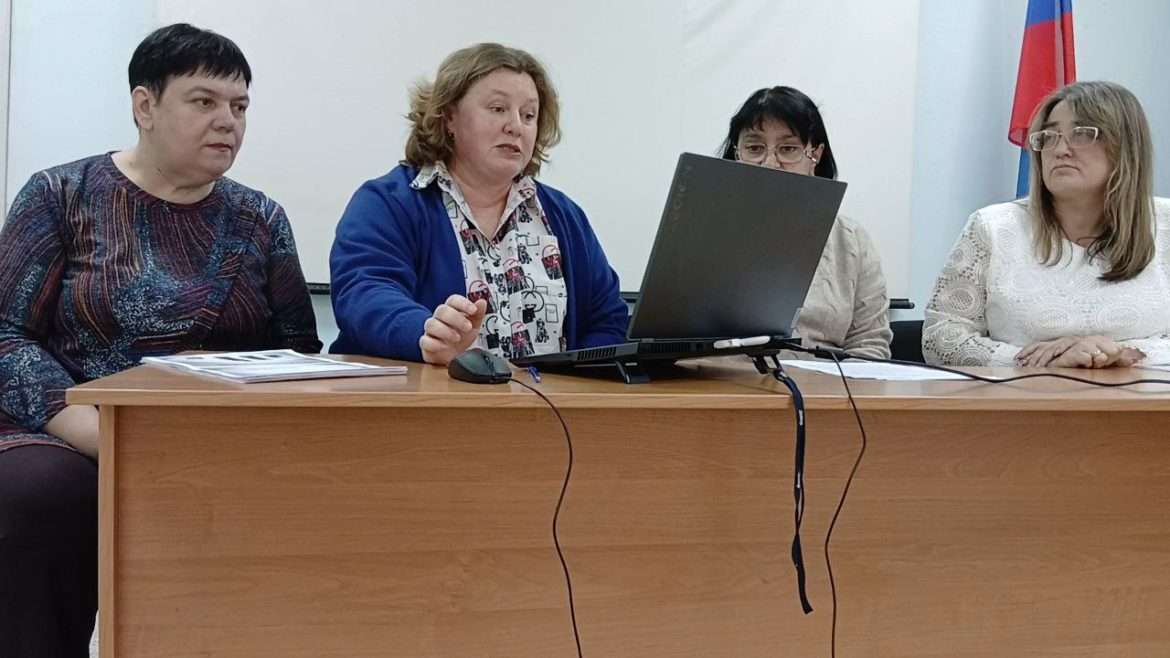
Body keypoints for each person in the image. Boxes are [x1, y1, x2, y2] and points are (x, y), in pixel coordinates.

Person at [0, 24, 320, 657]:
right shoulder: (60, 195)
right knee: (38, 495)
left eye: (240, 106)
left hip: (212, 436)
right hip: (67, 432)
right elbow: (7, 335)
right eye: (204, 101)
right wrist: (94, 426)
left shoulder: (260, 217)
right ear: (145, 106)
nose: (228, 121)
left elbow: (298, 353)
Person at [329, 43, 627, 365]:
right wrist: (426, 333)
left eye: (529, 115)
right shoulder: (388, 203)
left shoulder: (563, 215)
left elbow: (607, 317)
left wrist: (580, 378)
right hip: (429, 394)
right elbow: (364, 291)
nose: (515, 126)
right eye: (498, 109)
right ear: (449, 118)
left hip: (551, 397)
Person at [923, 81, 1170, 368]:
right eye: (1049, 136)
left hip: (1146, 396)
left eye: (1081, 134)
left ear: (1125, 146)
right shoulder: (992, 227)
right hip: (1024, 394)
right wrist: (1042, 360)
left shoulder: (1165, 223)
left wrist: (1115, 353)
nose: (1060, 149)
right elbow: (940, 338)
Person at [719, 86, 892, 359]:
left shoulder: (851, 239)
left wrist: (829, 383)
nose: (770, 163)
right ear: (737, 153)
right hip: (721, 380)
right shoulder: (702, 230)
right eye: (754, 148)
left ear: (815, 155)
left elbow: (870, 344)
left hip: (826, 383)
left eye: (788, 149)